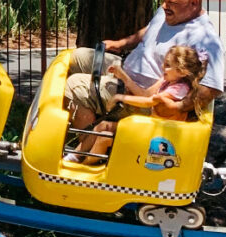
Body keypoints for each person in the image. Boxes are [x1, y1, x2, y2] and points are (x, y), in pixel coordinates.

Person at [65, 0, 224, 135]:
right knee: (78, 56)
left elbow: (210, 89)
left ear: (194, 3)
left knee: (75, 86)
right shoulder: (168, 13)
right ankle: (81, 123)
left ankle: (86, 151)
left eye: (172, 2)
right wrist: (121, 44)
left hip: (143, 98)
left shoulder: (205, 39)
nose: (164, 5)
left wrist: (177, 107)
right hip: (126, 71)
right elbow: (149, 31)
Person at [67, 45, 207, 164]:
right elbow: (145, 94)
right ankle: (77, 158)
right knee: (103, 130)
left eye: (168, 65)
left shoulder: (179, 89)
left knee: (104, 133)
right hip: (150, 125)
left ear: (182, 72)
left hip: (159, 134)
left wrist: (120, 97)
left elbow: (148, 102)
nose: (163, 67)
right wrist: (124, 77)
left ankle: (83, 164)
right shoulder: (166, 80)